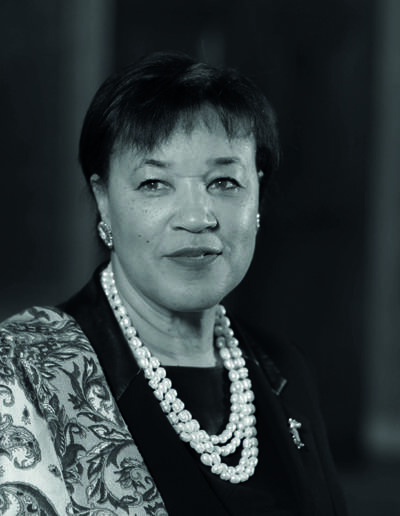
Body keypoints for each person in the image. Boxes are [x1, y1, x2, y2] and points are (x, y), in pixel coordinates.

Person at [0, 52, 347, 516]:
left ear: (258, 194)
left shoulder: (283, 371)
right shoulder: (24, 371)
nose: (197, 217)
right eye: (154, 184)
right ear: (103, 200)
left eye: (224, 182)